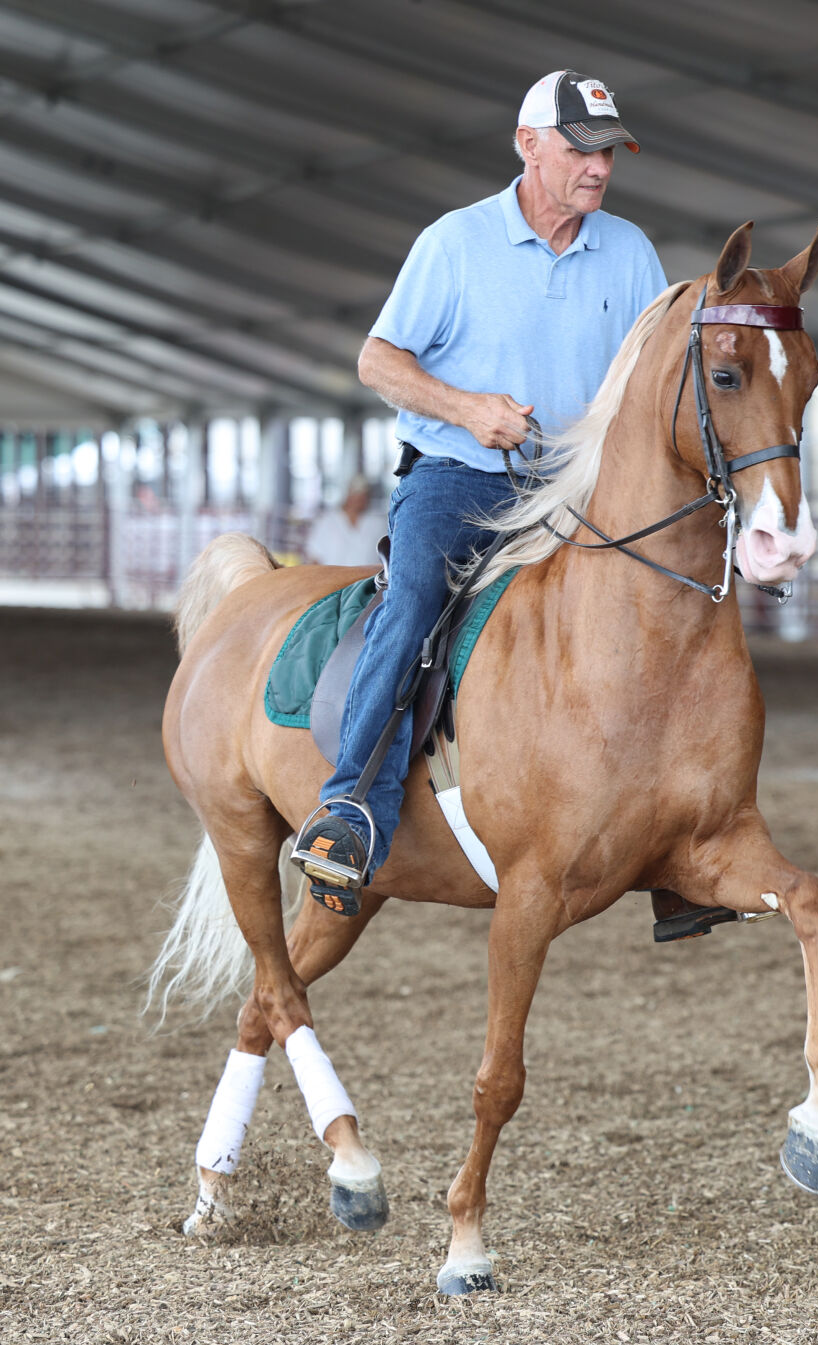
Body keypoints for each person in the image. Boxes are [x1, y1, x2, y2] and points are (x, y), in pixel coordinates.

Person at [294, 70, 667, 915]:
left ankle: (674, 831)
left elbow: (654, 385)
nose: (598, 169)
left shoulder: (632, 252)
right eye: (579, 148)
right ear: (527, 144)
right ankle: (351, 804)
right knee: (418, 591)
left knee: (667, 601)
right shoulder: (455, 244)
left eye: (608, 152)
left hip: (580, 492)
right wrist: (469, 409)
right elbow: (377, 362)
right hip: (461, 479)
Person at [306, 473, 385, 568]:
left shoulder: (378, 522)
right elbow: (314, 558)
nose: (359, 498)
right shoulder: (326, 521)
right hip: (334, 581)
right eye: (355, 493)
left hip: (368, 581)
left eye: (363, 494)